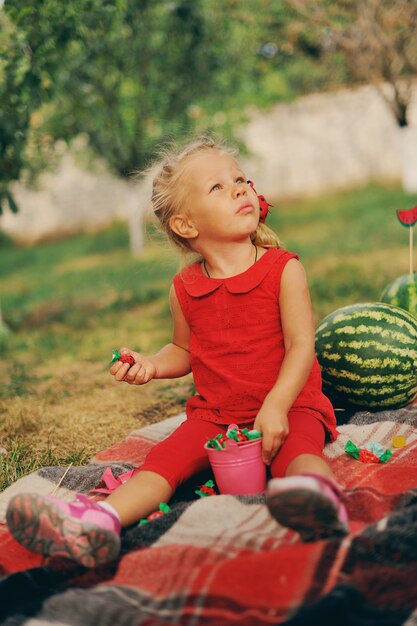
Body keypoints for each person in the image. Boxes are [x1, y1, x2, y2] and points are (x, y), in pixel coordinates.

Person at [6, 137, 348, 568]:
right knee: (162, 463)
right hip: (215, 416)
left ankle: (320, 502)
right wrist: (150, 364)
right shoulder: (185, 288)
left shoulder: (283, 269)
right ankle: (99, 521)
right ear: (186, 226)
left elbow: (302, 346)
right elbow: (184, 351)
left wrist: (277, 405)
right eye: (218, 187)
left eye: (240, 179)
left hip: (291, 405)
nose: (240, 188)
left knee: (298, 454)